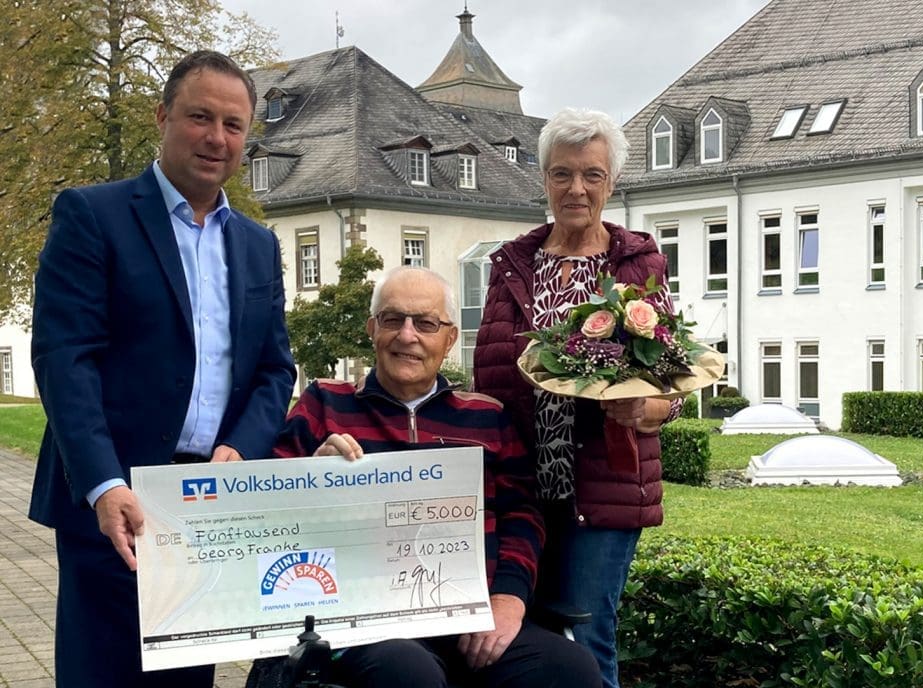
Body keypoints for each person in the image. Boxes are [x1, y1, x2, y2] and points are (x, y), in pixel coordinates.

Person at [28, 50, 296, 688]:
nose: (216, 137)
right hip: (112, 504)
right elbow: (66, 359)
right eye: (200, 117)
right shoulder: (92, 216)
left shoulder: (257, 245)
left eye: (233, 125)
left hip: (204, 507)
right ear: (163, 117)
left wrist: (243, 446)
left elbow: (274, 371)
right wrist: (102, 484)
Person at [273, 266, 600, 688]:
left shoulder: (486, 417)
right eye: (393, 319)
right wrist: (309, 479)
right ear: (372, 329)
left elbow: (522, 517)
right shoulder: (324, 405)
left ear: (449, 339)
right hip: (366, 625)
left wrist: (508, 599)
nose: (407, 335)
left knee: (571, 668)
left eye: (426, 323)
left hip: (471, 615)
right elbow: (271, 512)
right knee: (408, 672)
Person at [472, 107, 681, 688]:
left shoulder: (637, 265)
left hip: (602, 486)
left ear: (612, 182)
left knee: (588, 636)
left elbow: (671, 385)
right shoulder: (511, 265)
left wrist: (643, 409)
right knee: (522, 638)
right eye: (562, 173)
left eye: (592, 174)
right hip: (517, 485)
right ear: (543, 179)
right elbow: (488, 373)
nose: (576, 189)